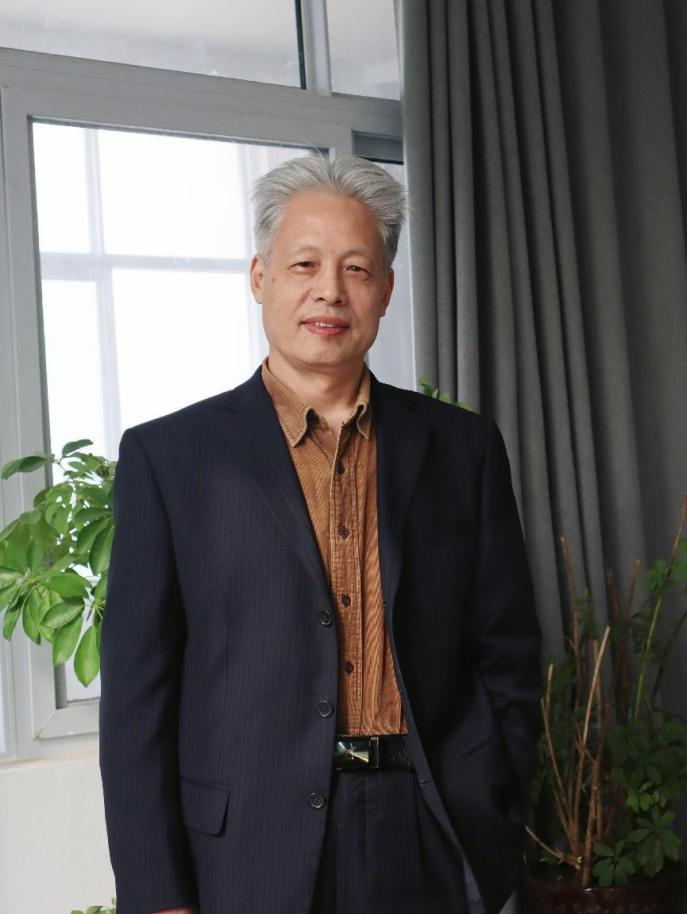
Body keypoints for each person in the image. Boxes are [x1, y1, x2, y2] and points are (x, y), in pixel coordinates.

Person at [99, 154, 544, 914]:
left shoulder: (462, 448)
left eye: (356, 269)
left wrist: (493, 803)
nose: (329, 291)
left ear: (387, 290)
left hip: (427, 825)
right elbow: (138, 699)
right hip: (247, 844)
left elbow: (506, 650)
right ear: (260, 277)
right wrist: (157, 892)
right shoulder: (168, 458)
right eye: (304, 264)